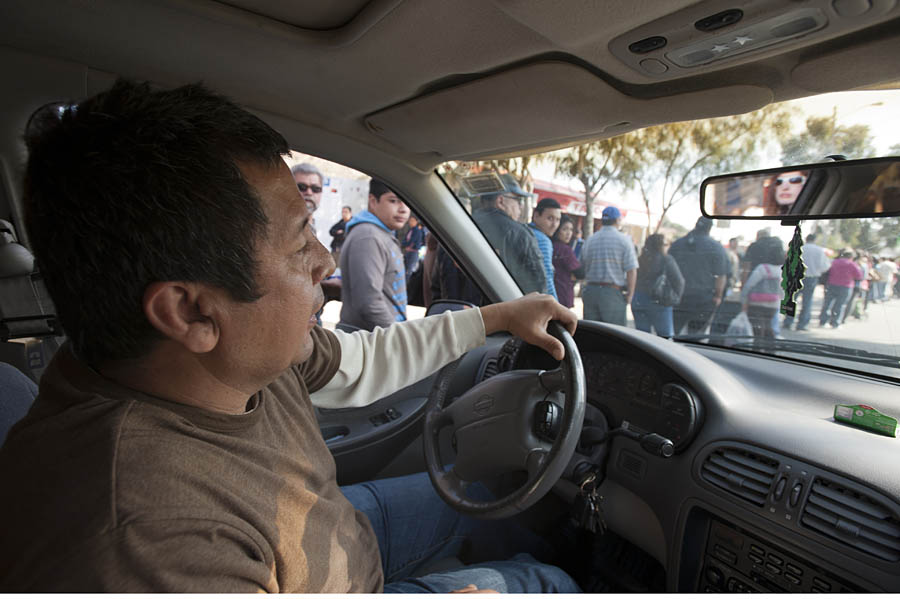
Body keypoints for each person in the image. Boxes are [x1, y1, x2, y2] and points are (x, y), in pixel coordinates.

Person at [0, 80, 581, 593]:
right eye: (301, 241)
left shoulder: (228, 354)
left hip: (335, 542)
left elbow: (360, 359)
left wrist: (497, 318)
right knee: (546, 582)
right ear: (189, 311)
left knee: (490, 505)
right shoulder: (148, 546)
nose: (327, 262)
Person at [339, 179, 410, 331]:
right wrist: (398, 338)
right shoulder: (368, 237)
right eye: (394, 201)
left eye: (407, 202)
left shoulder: (381, 233)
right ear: (373, 201)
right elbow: (368, 302)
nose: (403, 209)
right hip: (371, 341)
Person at [471, 174, 547, 295]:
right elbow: (537, 284)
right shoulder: (520, 234)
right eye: (518, 200)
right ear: (500, 201)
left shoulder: (462, 225)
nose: (521, 206)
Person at [669, 217, 729, 336]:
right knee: (694, 335)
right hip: (703, 300)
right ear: (710, 228)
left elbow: (667, 269)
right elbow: (721, 276)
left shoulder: (678, 244)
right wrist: (718, 296)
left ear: (696, 225)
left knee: (673, 332)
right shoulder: (716, 248)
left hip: (678, 297)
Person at [581, 206, 637, 326]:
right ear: (617, 220)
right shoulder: (624, 240)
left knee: (593, 333)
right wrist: (630, 295)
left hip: (591, 292)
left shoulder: (590, 240)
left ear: (602, 220)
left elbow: (583, 264)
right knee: (614, 335)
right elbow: (631, 270)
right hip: (612, 293)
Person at [632, 234, 684, 337]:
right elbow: (679, 281)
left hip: (638, 299)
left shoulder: (640, 259)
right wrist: (675, 297)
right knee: (665, 337)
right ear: (661, 245)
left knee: (642, 337)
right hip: (659, 301)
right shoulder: (666, 259)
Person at [782, 233, 830, 331]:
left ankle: (787, 322)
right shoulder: (819, 250)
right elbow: (825, 266)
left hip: (795, 276)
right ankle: (802, 324)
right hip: (811, 278)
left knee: (792, 300)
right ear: (814, 240)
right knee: (807, 301)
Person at [741, 244, 784, 341]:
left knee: (757, 329)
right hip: (773, 304)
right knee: (768, 326)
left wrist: (743, 298)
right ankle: (770, 349)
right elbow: (783, 289)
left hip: (757, 303)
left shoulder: (762, 268)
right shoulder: (782, 270)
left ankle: (757, 348)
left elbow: (749, 285)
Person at [819, 248, 864, 328]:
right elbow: (859, 276)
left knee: (827, 303)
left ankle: (823, 321)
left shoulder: (834, 262)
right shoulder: (852, 264)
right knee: (840, 305)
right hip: (845, 286)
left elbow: (826, 271)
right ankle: (835, 323)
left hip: (831, 284)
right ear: (851, 257)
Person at [529, 198, 562, 300]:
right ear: (536, 216)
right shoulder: (542, 240)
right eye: (550, 218)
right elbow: (546, 276)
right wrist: (555, 304)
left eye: (558, 220)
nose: (554, 225)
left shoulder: (525, 231)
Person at [551, 215, 583, 309]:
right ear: (557, 229)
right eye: (565, 229)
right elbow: (580, 273)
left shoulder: (550, 245)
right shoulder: (565, 250)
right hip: (562, 294)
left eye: (571, 229)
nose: (568, 233)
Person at [401, 214, 426, 279]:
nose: (410, 222)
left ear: (416, 221)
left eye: (412, 221)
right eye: (410, 221)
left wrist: (406, 244)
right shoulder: (411, 230)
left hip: (413, 252)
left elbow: (411, 242)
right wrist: (405, 243)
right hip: (408, 252)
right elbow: (405, 240)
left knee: (409, 270)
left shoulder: (417, 230)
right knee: (406, 268)